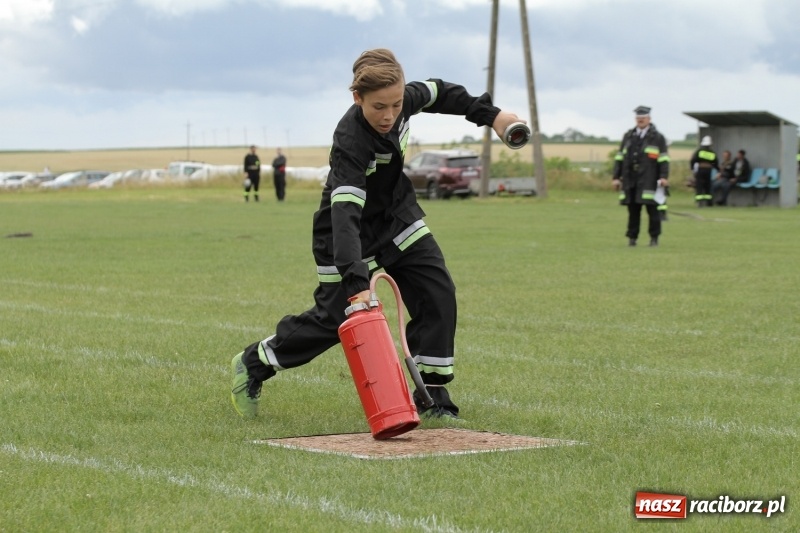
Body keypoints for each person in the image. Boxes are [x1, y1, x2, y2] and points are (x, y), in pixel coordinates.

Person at [229, 48, 524, 421]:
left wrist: (493, 116)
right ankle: (255, 362)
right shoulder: (350, 141)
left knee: (437, 293)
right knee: (335, 320)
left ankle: (432, 398)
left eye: (396, 105)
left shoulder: (405, 99)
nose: (389, 115)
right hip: (345, 234)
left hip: (397, 219)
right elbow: (346, 215)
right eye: (378, 107)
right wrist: (356, 282)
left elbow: (442, 93)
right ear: (358, 99)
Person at [612, 105, 670, 247]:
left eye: (643, 118)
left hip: (650, 178)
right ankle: (632, 238)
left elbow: (663, 159)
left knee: (652, 210)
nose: (640, 120)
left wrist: (663, 176)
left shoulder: (657, 137)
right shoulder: (628, 136)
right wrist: (616, 177)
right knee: (633, 210)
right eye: (638, 118)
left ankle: (654, 238)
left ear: (649, 119)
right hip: (631, 178)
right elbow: (619, 157)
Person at [690, 136, 719, 207]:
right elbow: (715, 163)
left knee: (699, 185)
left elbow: (693, 160)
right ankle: (709, 203)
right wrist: (718, 170)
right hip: (708, 171)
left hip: (700, 170)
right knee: (707, 186)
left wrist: (692, 168)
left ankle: (699, 202)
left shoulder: (699, 151)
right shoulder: (712, 153)